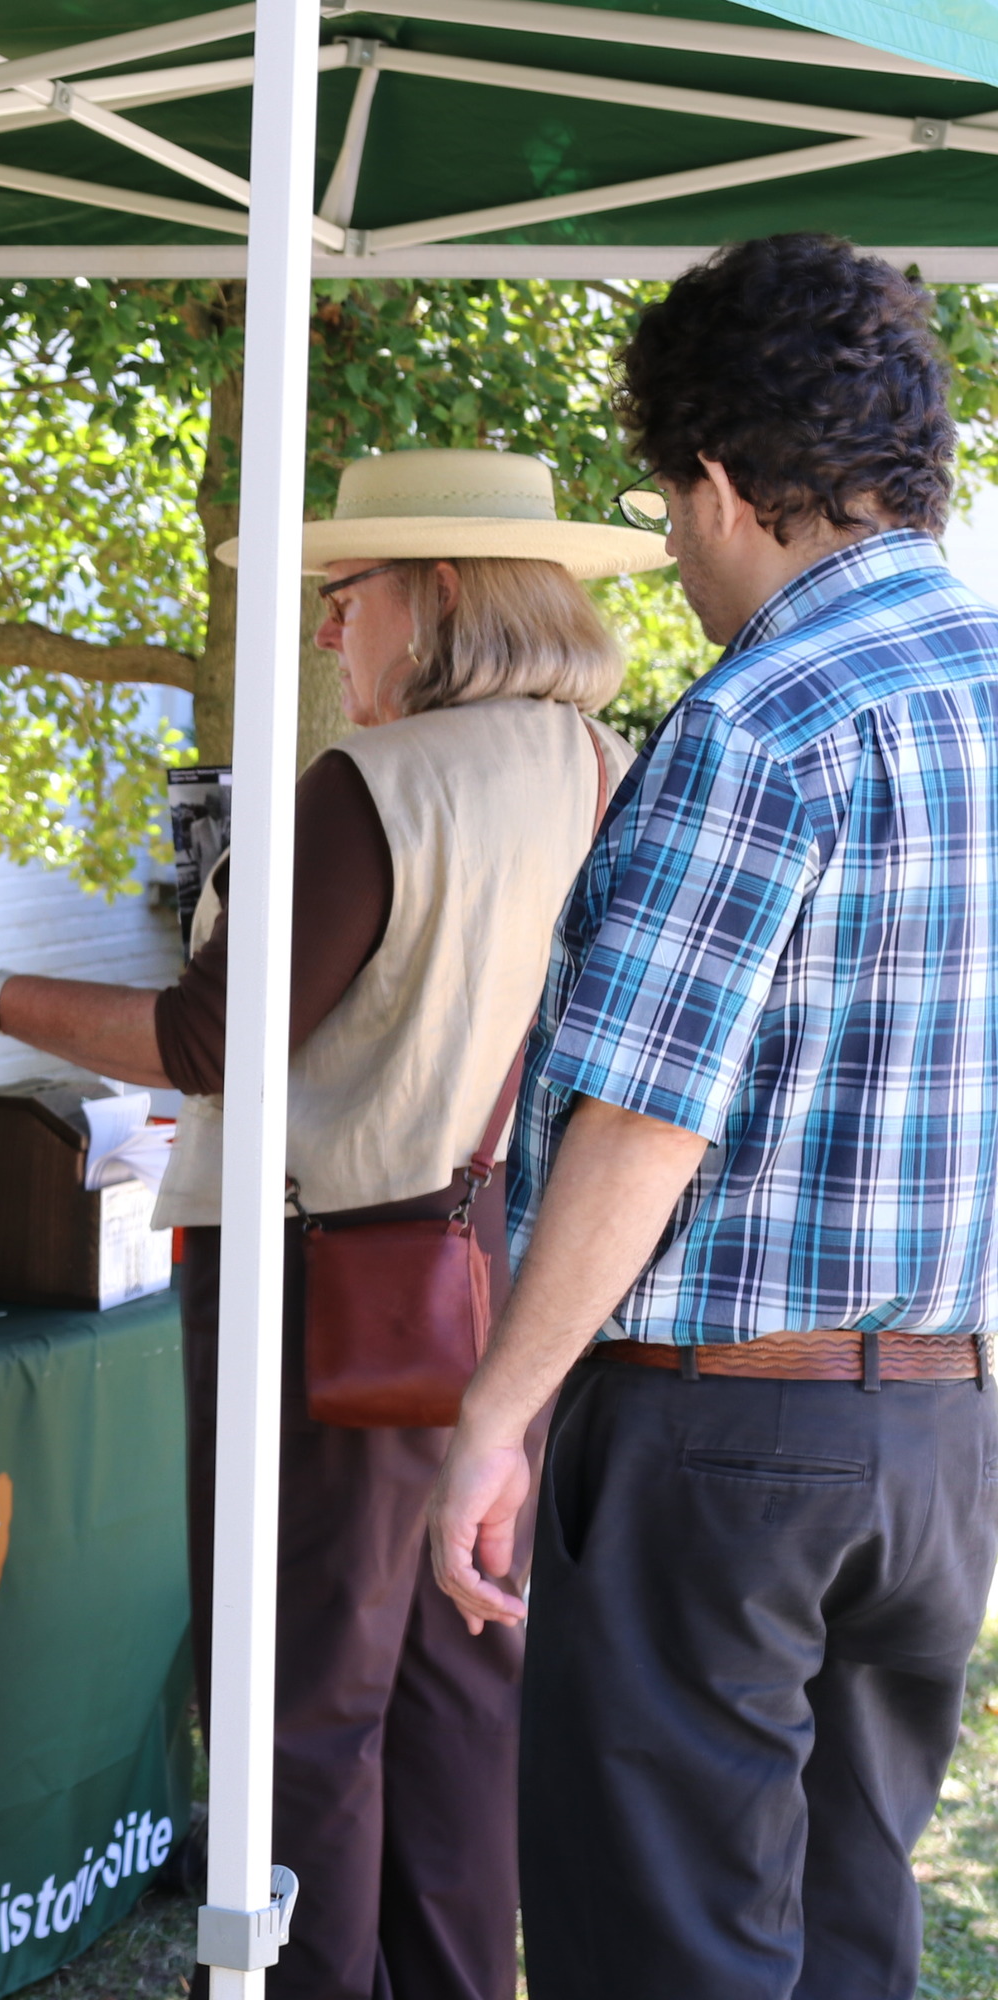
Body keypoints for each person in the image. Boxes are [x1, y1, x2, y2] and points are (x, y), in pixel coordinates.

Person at [0, 447, 653, 2000]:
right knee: (455, 1683)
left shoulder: (379, 786)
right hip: (511, 1268)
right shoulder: (605, 767)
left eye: (341, 599)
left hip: (332, 1285)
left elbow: (210, 1042)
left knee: (301, 1693)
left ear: (435, 598)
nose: (323, 635)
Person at [426, 237, 998, 1999]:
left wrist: (492, 1421)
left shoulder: (761, 721)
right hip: (944, 1432)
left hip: (724, 1439)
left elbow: (641, 1124)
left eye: (671, 508)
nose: (673, 554)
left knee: (661, 1948)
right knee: (845, 1934)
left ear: (730, 482)